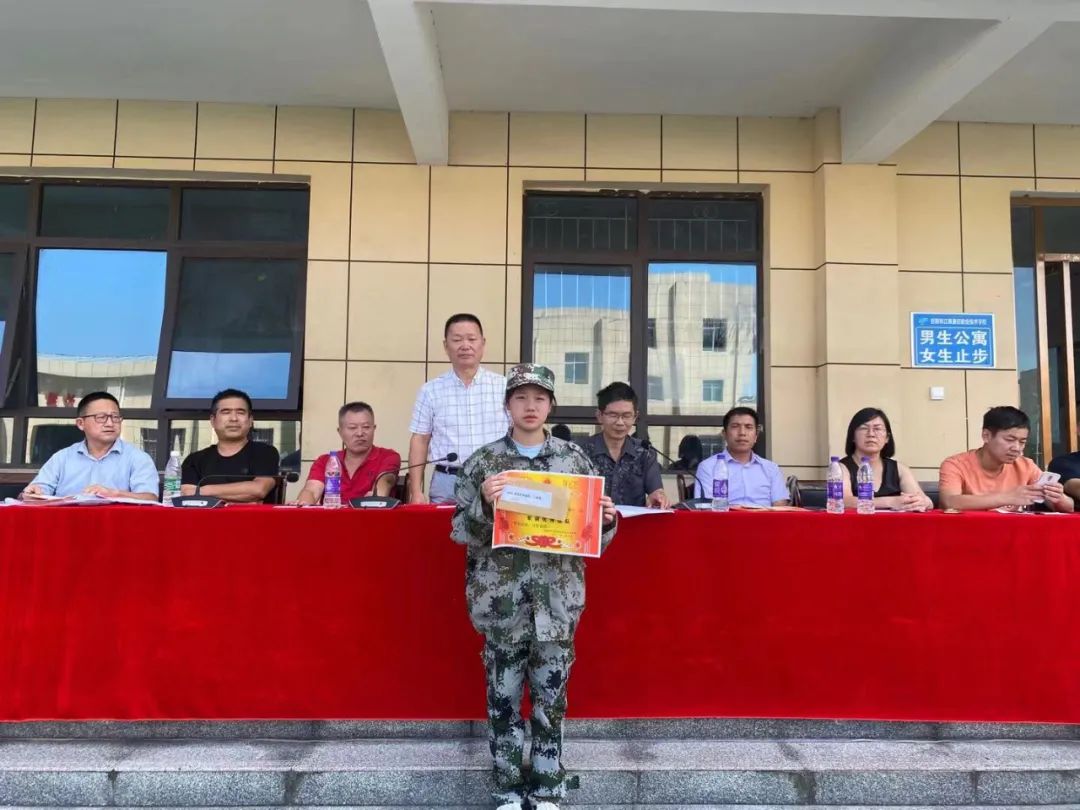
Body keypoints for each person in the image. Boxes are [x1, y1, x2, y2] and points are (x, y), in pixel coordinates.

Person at [452, 364, 618, 810]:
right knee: (502, 701)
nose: (530, 406)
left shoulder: (574, 461)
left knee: (551, 702)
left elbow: (593, 537)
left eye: (539, 398)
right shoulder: (484, 463)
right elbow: (459, 530)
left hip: (556, 604)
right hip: (501, 605)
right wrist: (484, 502)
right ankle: (507, 788)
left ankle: (547, 789)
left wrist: (605, 521)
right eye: (521, 398)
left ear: (550, 406)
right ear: (507, 405)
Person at [408, 313, 509, 504]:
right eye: (457, 340)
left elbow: (518, 434)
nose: (465, 345)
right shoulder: (430, 390)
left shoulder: (504, 387)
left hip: (494, 480)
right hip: (447, 482)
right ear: (446, 346)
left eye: (471, 339)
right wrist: (415, 491)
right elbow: (420, 440)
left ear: (483, 344)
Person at [22, 391, 159, 500]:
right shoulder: (62, 458)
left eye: (115, 417)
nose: (110, 423)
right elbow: (35, 492)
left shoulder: (138, 458)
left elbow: (150, 498)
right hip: (68, 523)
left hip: (116, 525)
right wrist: (32, 492)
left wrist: (115, 494)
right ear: (81, 423)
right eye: (101, 417)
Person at [939, 406, 1073, 512]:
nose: (1017, 448)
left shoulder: (1026, 466)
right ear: (986, 436)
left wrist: (1059, 497)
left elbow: (1068, 508)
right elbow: (949, 502)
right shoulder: (955, 465)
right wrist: (1008, 497)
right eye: (1009, 440)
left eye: (1022, 442)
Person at [180, 388, 280, 504]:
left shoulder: (265, 453)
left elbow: (258, 490)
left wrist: (203, 490)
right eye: (226, 412)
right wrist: (243, 498)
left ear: (250, 420)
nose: (234, 419)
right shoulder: (194, 460)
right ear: (213, 420)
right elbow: (188, 495)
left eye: (240, 412)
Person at [577, 382, 668, 508]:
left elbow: (656, 491)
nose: (620, 422)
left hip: (633, 521)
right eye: (613, 415)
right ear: (599, 416)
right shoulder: (579, 452)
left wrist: (658, 496)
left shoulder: (645, 453)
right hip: (594, 520)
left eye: (626, 416)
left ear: (635, 417)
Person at [292, 402, 401, 504]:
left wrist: (376, 497)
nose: (360, 433)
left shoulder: (388, 457)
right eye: (352, 428)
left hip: (370, 516)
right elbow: (311, 490)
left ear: (374, 428)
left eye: (366, 427)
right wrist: (303, 503)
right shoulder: (325, 461)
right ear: (340, 432)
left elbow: (385, 482)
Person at [840, 407, 932, 511]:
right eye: (864, 428)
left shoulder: (899, 469)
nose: (871, 434)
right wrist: (891, 502)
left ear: (887, 438)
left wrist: (923, 502)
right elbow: (844, 501)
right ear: (853, 436)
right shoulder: (841, 468)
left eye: (877, 429)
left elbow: (926, 501)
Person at [694, 407, 789, 506]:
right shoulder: (708, 467)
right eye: (735, 426)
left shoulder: (771, 468)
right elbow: (705, 507)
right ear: (724, 434)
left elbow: (780, 505)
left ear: (756, 436)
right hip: (724, 516)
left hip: (764, 516)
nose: (742, 433)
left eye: (748, 427)